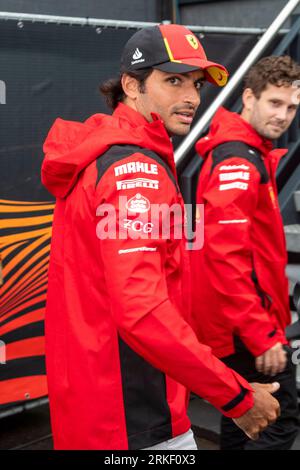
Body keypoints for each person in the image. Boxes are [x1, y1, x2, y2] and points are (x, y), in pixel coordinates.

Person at [41, 25, 280, 450]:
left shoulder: (109, 155)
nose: (191, 96)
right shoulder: (137, 172)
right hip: (134, 416)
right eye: (173, 81)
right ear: (132, 86)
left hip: (95, 409)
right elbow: (144, 311)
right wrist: (237, 396)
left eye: (196, 83)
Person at [191, 55, 300, 450]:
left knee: (244, 418)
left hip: (239, 319)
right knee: (280, 419)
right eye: (275, 103)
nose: (283, 116)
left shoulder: (246, 151)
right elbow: (226, 255)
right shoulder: (237, 157)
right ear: (249, 97)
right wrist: (262, 334)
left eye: (291, 107)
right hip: (244, 326)